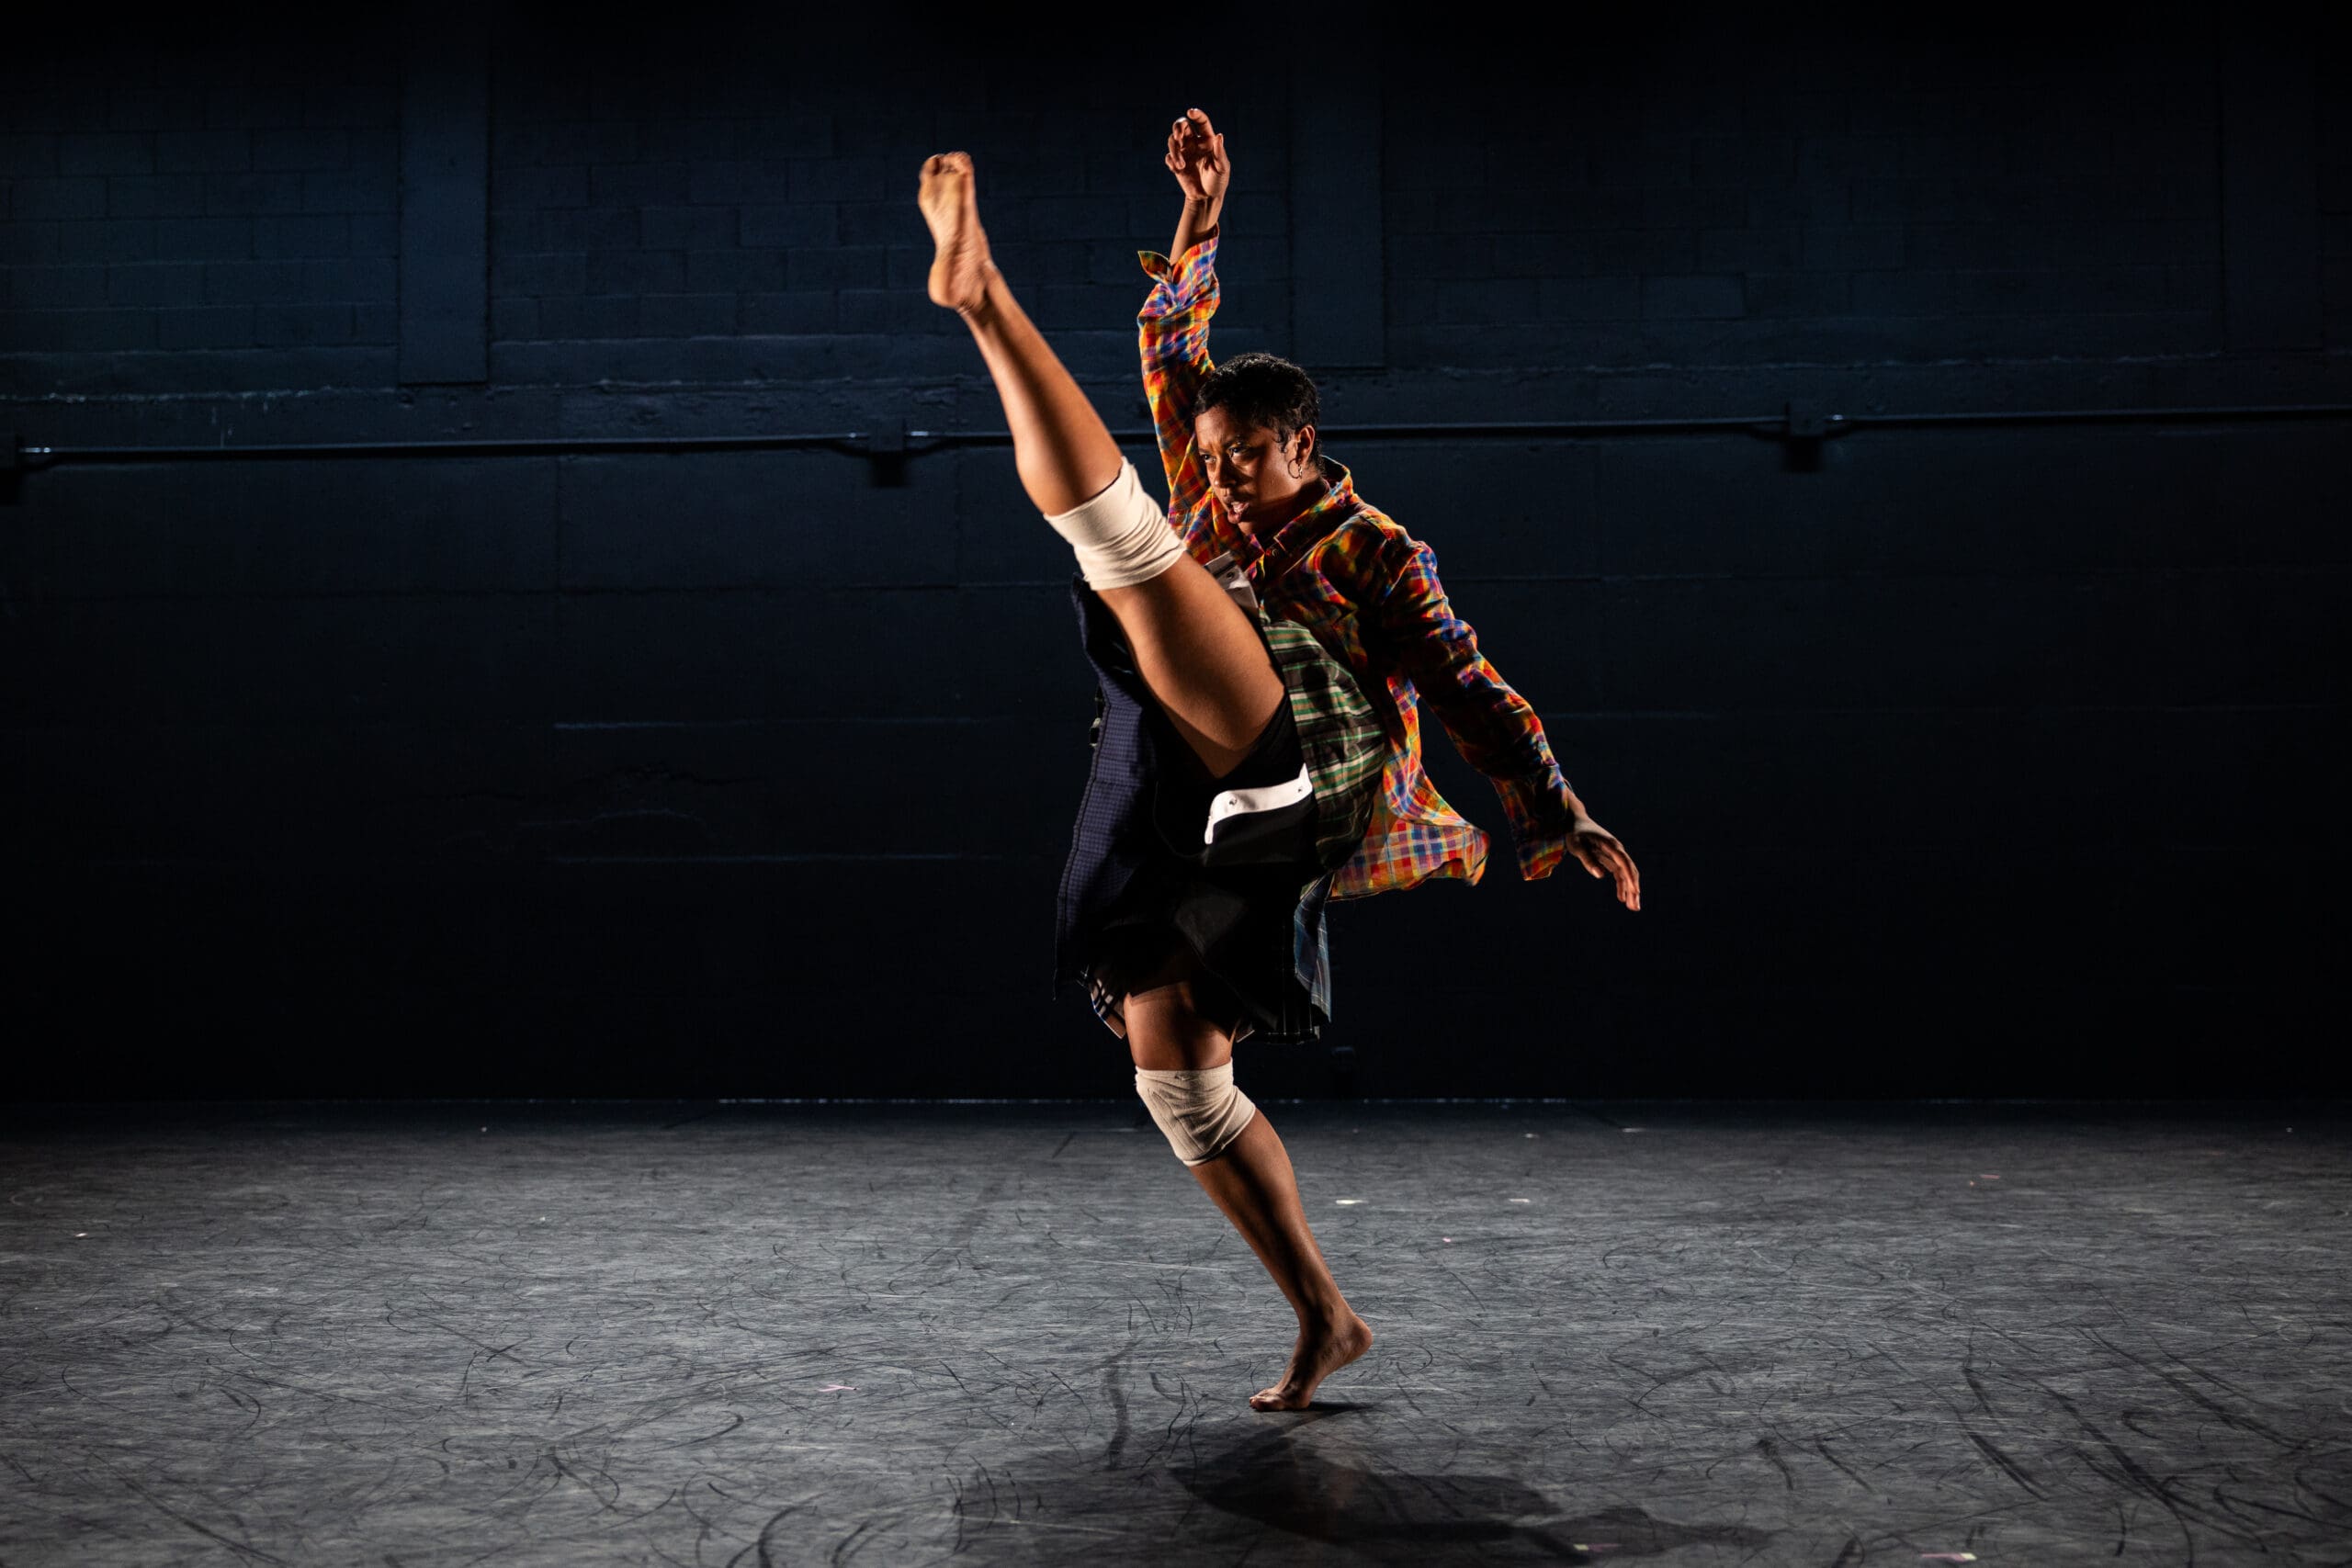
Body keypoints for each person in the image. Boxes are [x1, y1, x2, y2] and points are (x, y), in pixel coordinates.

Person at [915, 108, 1641, 1412]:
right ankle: (1327, 1317)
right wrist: (1199, 221)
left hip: (1301, 766)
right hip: (1192, 792)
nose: (1229, 477)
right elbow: (1168, 347)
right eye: (1216, 458)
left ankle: (983, 306)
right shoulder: (1214, 481)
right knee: (1178, 1083)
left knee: (1129, 552)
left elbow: (1467, 684)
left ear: (1304, 441)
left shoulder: (1378, 550)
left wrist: (1556, 806)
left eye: (1249, 456)